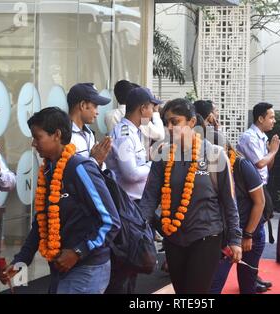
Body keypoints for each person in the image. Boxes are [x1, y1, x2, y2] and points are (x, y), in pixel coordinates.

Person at [0, 107, 121, 294]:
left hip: (87, 269)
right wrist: (20, 262)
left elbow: (110, 221)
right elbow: (41, 223)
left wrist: (78, 252)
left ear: (56, 135)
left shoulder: (80, 168)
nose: (33, 143)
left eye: (37, 137)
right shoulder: (49, 170)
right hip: (61, 268)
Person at [140, 98, 242, 294]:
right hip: (173, 239)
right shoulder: (162, 157)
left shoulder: (215, 155)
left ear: (192, 123)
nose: (169, 127)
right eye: (165, 122)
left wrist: (235, 239)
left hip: (206, 236)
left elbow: (230, 202)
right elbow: (149, 198)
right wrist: (138, 229)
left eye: (175, 122)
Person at [104, 87, 161, 293]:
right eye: (152, 107)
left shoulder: (134, 131)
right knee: (124, 267)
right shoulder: (125, 134)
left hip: (133, 205)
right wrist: (153, 167)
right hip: (126, 206)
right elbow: (130, 173)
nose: (154, 112)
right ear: (142, 108)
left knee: (131, 268)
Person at [210, 141, 266, 294]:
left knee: (247, 286)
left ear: (225, 149)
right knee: (213, 286)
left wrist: (247, 235)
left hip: (250, 233)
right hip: (224, 237)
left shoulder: (242, 165)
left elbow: (260, 202)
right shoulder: (207, 169)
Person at [236, 102, 279, 289]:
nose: (274, 121)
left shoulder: (262, 137)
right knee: (256, 237)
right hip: (250, 193)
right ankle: (249, 281)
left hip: (261, 187)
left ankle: (252, 277)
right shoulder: (249, 137)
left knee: (258, 237)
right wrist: (273, 151)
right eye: (271, 117)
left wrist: (272, 152)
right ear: (260, 118)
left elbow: (268, 166)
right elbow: (260, 163)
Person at [104, 80, 165, 150]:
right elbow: (160, 135)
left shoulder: (109, 115)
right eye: (151, 107)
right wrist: (156, 112)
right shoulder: (140, 119)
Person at [67, 83, 112, 168]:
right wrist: (95, 160)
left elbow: (98, 168)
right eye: (95, 106)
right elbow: (72, 172)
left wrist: (100, 161)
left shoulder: (89, 134)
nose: (97, 112)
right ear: (83, 105)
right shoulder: (65, 136)